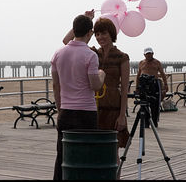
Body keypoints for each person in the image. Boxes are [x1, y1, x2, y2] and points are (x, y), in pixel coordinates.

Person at [63, 10, 130, 178]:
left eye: (104, 33)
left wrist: (122, 115)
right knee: (92, 150)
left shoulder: (122, 57)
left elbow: (125, 89)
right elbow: (67, 41)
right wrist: (86, 19)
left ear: (111, 34)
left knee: (112, 151)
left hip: (113, 109)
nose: (100, 37)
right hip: (93, 108)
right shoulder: (92, 53)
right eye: (97, 33)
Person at [51, 14, 106, 180]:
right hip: (86, 112)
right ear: (90, 33)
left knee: (62, 155)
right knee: (86, 155)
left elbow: (56, 85)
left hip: (66, 111)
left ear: (74, 30)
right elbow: (94, 85)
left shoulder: (58, 54)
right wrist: (102, 74)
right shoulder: (90, 55)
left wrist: (60, 108)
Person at [136, 47, 169, 128]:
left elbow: (162, 73)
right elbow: (138, 75)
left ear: (153, 53)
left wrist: (165, 84)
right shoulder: (141, 63)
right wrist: (137, 87)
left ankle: (154, 122)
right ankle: (146, 122)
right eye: (147, 54)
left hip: (154, 84)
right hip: (144, 85)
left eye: (150, 54)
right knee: (144, 104)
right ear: (144, 54)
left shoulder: (157, 62)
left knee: (155, 105)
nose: (149, 55)